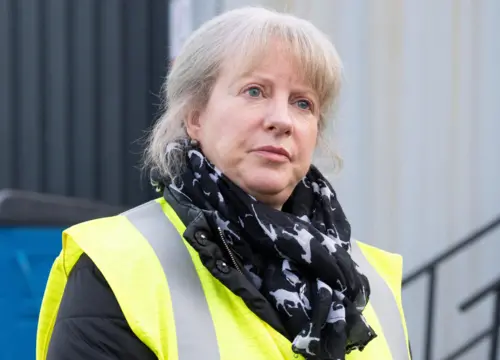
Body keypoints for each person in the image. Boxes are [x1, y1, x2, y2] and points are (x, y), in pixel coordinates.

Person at [36, 6, 411, 360]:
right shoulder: (117, 266)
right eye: (254, 91)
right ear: (195, 117)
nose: (282, 120)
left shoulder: (369, 279)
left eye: (302, 103)